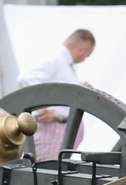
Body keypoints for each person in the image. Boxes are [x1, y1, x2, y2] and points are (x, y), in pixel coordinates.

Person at [17, 29, 95, 162]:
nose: (84, 60)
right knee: (47, 177)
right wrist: (44, 109)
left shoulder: (64, 62)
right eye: (86, 56)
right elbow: (26, 79)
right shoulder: (55, 57)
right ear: (81, 50)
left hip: (59, 132)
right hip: (51, 131)